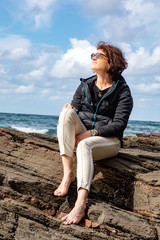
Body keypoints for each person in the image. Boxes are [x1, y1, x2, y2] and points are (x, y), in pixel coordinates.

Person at [54, 41, 133, 225]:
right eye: (93, 55)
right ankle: (68, 175)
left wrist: (92, 132)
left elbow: (119, 125)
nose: (94, 58)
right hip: (85, 133)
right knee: (66, 112)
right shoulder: (84, 85)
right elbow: (75, 108)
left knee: (84, 144)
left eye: (99, 55)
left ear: (111, 63)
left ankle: (80, 203)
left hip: (108, 141)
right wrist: (70, 109)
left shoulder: (123, 92)